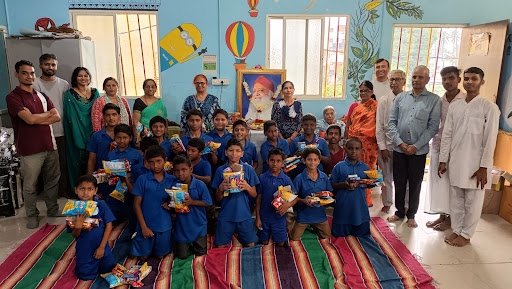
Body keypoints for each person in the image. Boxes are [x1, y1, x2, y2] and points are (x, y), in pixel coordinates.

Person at [438, 67, 500, 247]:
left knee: (472, 201)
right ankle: (457, 230)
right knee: (456, 199)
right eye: (466, 79)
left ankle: (466, 234)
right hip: (456, 160)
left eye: (474, 79)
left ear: (482, 82)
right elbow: (447, 134)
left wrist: (484, 167)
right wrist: (443, 160)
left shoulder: (489, 108)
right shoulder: (456, 106)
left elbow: (490, 140)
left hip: (476, 164)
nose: (469, 82)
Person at [6, 60, 61, 229]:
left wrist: (36, 118)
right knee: (30, 185)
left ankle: (52, 209)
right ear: (17, 75)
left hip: (50, 145)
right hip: (29, 150)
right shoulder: (13, 97)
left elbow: (57, 116)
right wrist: (44, 116)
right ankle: (32, 215)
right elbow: (28, 119)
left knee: (52, 181)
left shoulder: (42, 95)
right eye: (24, 73)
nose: (29, 76)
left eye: (31, 73)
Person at [387, 65, 441, 228]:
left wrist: (416, 146)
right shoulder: (401, 98)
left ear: (428, 80)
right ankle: (399, 212)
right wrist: (400, 143)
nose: (416, 80)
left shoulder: (434, 100)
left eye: (420, 77)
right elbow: (392, 122)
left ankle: (411, 214)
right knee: (399, 180)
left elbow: (433, 127)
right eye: (414, 77)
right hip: (399, 148)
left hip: (418, 151)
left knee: (416, 183)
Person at [424, 66, 465, 231]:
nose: (447, 82)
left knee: (450, 183)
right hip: (438, 145)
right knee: (438, 181)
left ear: (458, 80)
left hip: (455, 148)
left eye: (451, 78)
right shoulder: (440, 101)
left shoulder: (464, 101)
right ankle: (442, 215)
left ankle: (450, 218)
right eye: (444, 79)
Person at [131, 145, 177, 261]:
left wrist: (170, 203)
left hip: (164, 225)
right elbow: (136, 204)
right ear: (146, 162)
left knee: (160, 255)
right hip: (146, 224)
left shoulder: (172, 180)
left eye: (158, 161)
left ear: (165, 160)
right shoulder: (142, 179)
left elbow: (178, 201)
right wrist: (143, 227)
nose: (155, 166)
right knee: (142, 257)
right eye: (151, 162)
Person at [33, 53, 70, 198]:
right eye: (47, 64)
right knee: (42, 166)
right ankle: (45, 194)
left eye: (53, 64)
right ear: (40, 65)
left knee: (61, 165)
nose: (50, 67)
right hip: (40, 132)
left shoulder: (64, 84)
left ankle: (62, 192)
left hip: (61, 131)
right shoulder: (35, 84)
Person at [211, 139, 259, 247]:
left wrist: (247, 187)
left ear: (242, 153)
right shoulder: (220, 170)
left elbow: (254, 194)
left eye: (238, 151)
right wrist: (221, 188)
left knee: (251, 244)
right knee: (220, 246)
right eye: (231, 150)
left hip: (244, 214)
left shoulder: (248, 169)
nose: (234, 154)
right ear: (225, 152)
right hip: (226, 214)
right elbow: (217, 198)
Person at [71, 175, 116, 280]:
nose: (86, 193)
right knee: (85, 276)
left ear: (95, 190)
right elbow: (74, 235)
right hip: (84, 248)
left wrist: (101, 247)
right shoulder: (73, 209)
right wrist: (77, 227)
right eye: (82, 189)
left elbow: (109, 225)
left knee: (109, 269)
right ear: (76, 190)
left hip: (102, 245)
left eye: (90, 189)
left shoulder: (101, 205)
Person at [64, 67, 100, 190]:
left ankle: (93, 189)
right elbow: (70, 117)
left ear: (89, 78)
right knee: (77, 161)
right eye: (80, 76)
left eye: (86, 75)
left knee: (94, 158)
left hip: (94, 130)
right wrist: (77, 134)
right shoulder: (70, 95)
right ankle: (78, 190)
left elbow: (100, 112)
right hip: (76, 131)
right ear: (75, 78)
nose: (83, 78)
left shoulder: (95, 93)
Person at [376, 70, 406, 213]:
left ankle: (404, 206)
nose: (394, 82)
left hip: (404, 147)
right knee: (386, 176)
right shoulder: (383, 100)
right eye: (392, 80)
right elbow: (380, 125)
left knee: (403, 178)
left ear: (404, 82)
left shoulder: (409, 99)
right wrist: (382, 147)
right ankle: (387, 202)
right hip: (387, 146)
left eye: (398, 80)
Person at [171, 155, 213, 259]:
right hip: (182, 226)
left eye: (184, 170)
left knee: (201, 253)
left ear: (191, 169)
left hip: (199, 224)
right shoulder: (173, 185)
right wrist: (169, 203)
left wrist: (192, 202)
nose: (180, 173)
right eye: (177, 170)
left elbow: (208, 202)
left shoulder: (200, 185)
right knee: (181, 256)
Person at [345, 81, 378, 207]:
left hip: (370, 145)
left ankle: (366, 199)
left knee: (368, 171)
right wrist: (346, 139)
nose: (363, 93)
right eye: (361, 91)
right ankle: (353, 196)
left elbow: (379, 125)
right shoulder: (355, 107)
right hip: (354, 143)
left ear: (371, 92)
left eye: (366, 91)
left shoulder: (376, 106)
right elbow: (349, 124)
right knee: (353, 169)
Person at [330, 138, 371, 237]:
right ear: (345, 149)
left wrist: (375, 182)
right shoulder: (339, 167)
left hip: (360, 208)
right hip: (343, 207)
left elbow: (369, 184)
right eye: (350, 148)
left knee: (363, 235)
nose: (354, 151)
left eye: (357, 149)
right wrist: (344, 185)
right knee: (339, 235)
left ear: (361, 150)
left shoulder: (365, 168)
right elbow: (331, 184)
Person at [289, 147, 332, 241]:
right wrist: (303, 200)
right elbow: (292, 197)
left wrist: (325, 198)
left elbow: (329, 192)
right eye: (309, 159)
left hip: (319, 214)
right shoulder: (299, 178)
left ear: (319, 161)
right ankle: (294, 221)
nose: (312, 162)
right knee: (294, 238)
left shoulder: (324, 177)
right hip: (304, 214)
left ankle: (314, 225)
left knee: (327, 236)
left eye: (315, 159)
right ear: (304, 161)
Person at [255, 148, 295, 246]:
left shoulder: (286, 179)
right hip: (264, 217)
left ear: (282, 163)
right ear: (267, 161)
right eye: (272, 160)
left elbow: (295, 197)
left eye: (278, 161)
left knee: (281, 243)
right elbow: (258, 198)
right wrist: (258, 218)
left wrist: (288, 204)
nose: (275, 164)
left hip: (279, 218)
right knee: (263, 242)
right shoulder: (262, 178)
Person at [106, 124, 143, 224]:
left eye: (125, 138)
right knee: (113, 219)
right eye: (119, 137)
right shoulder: (111, 154)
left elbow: (141, 170)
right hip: (115, 190)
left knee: (132, 218)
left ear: (130, 138)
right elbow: (107, 171)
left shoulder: (137, 154)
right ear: (114, 137)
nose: (122, 141)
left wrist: (131, 175)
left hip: (131, 189)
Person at [289, 114, 330, 179]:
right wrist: (295, 156)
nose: (308, 127)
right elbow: (288, 161)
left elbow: (327, 161)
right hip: (300, 175)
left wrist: (317, 155)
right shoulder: (296, 141)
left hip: (318, 177)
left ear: (315, 126)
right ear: (302, 126)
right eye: (306, 125)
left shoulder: (322, 141)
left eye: (311, 125)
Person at [87, 104, 119, 175]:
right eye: (107, 115)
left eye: (114, 114)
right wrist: (89, 178)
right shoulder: (96, 136)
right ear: (103, 117)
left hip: (121, 176)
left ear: (119, 117)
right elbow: (92, 159)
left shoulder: (125, 135)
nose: (111, 118)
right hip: (102, 175)